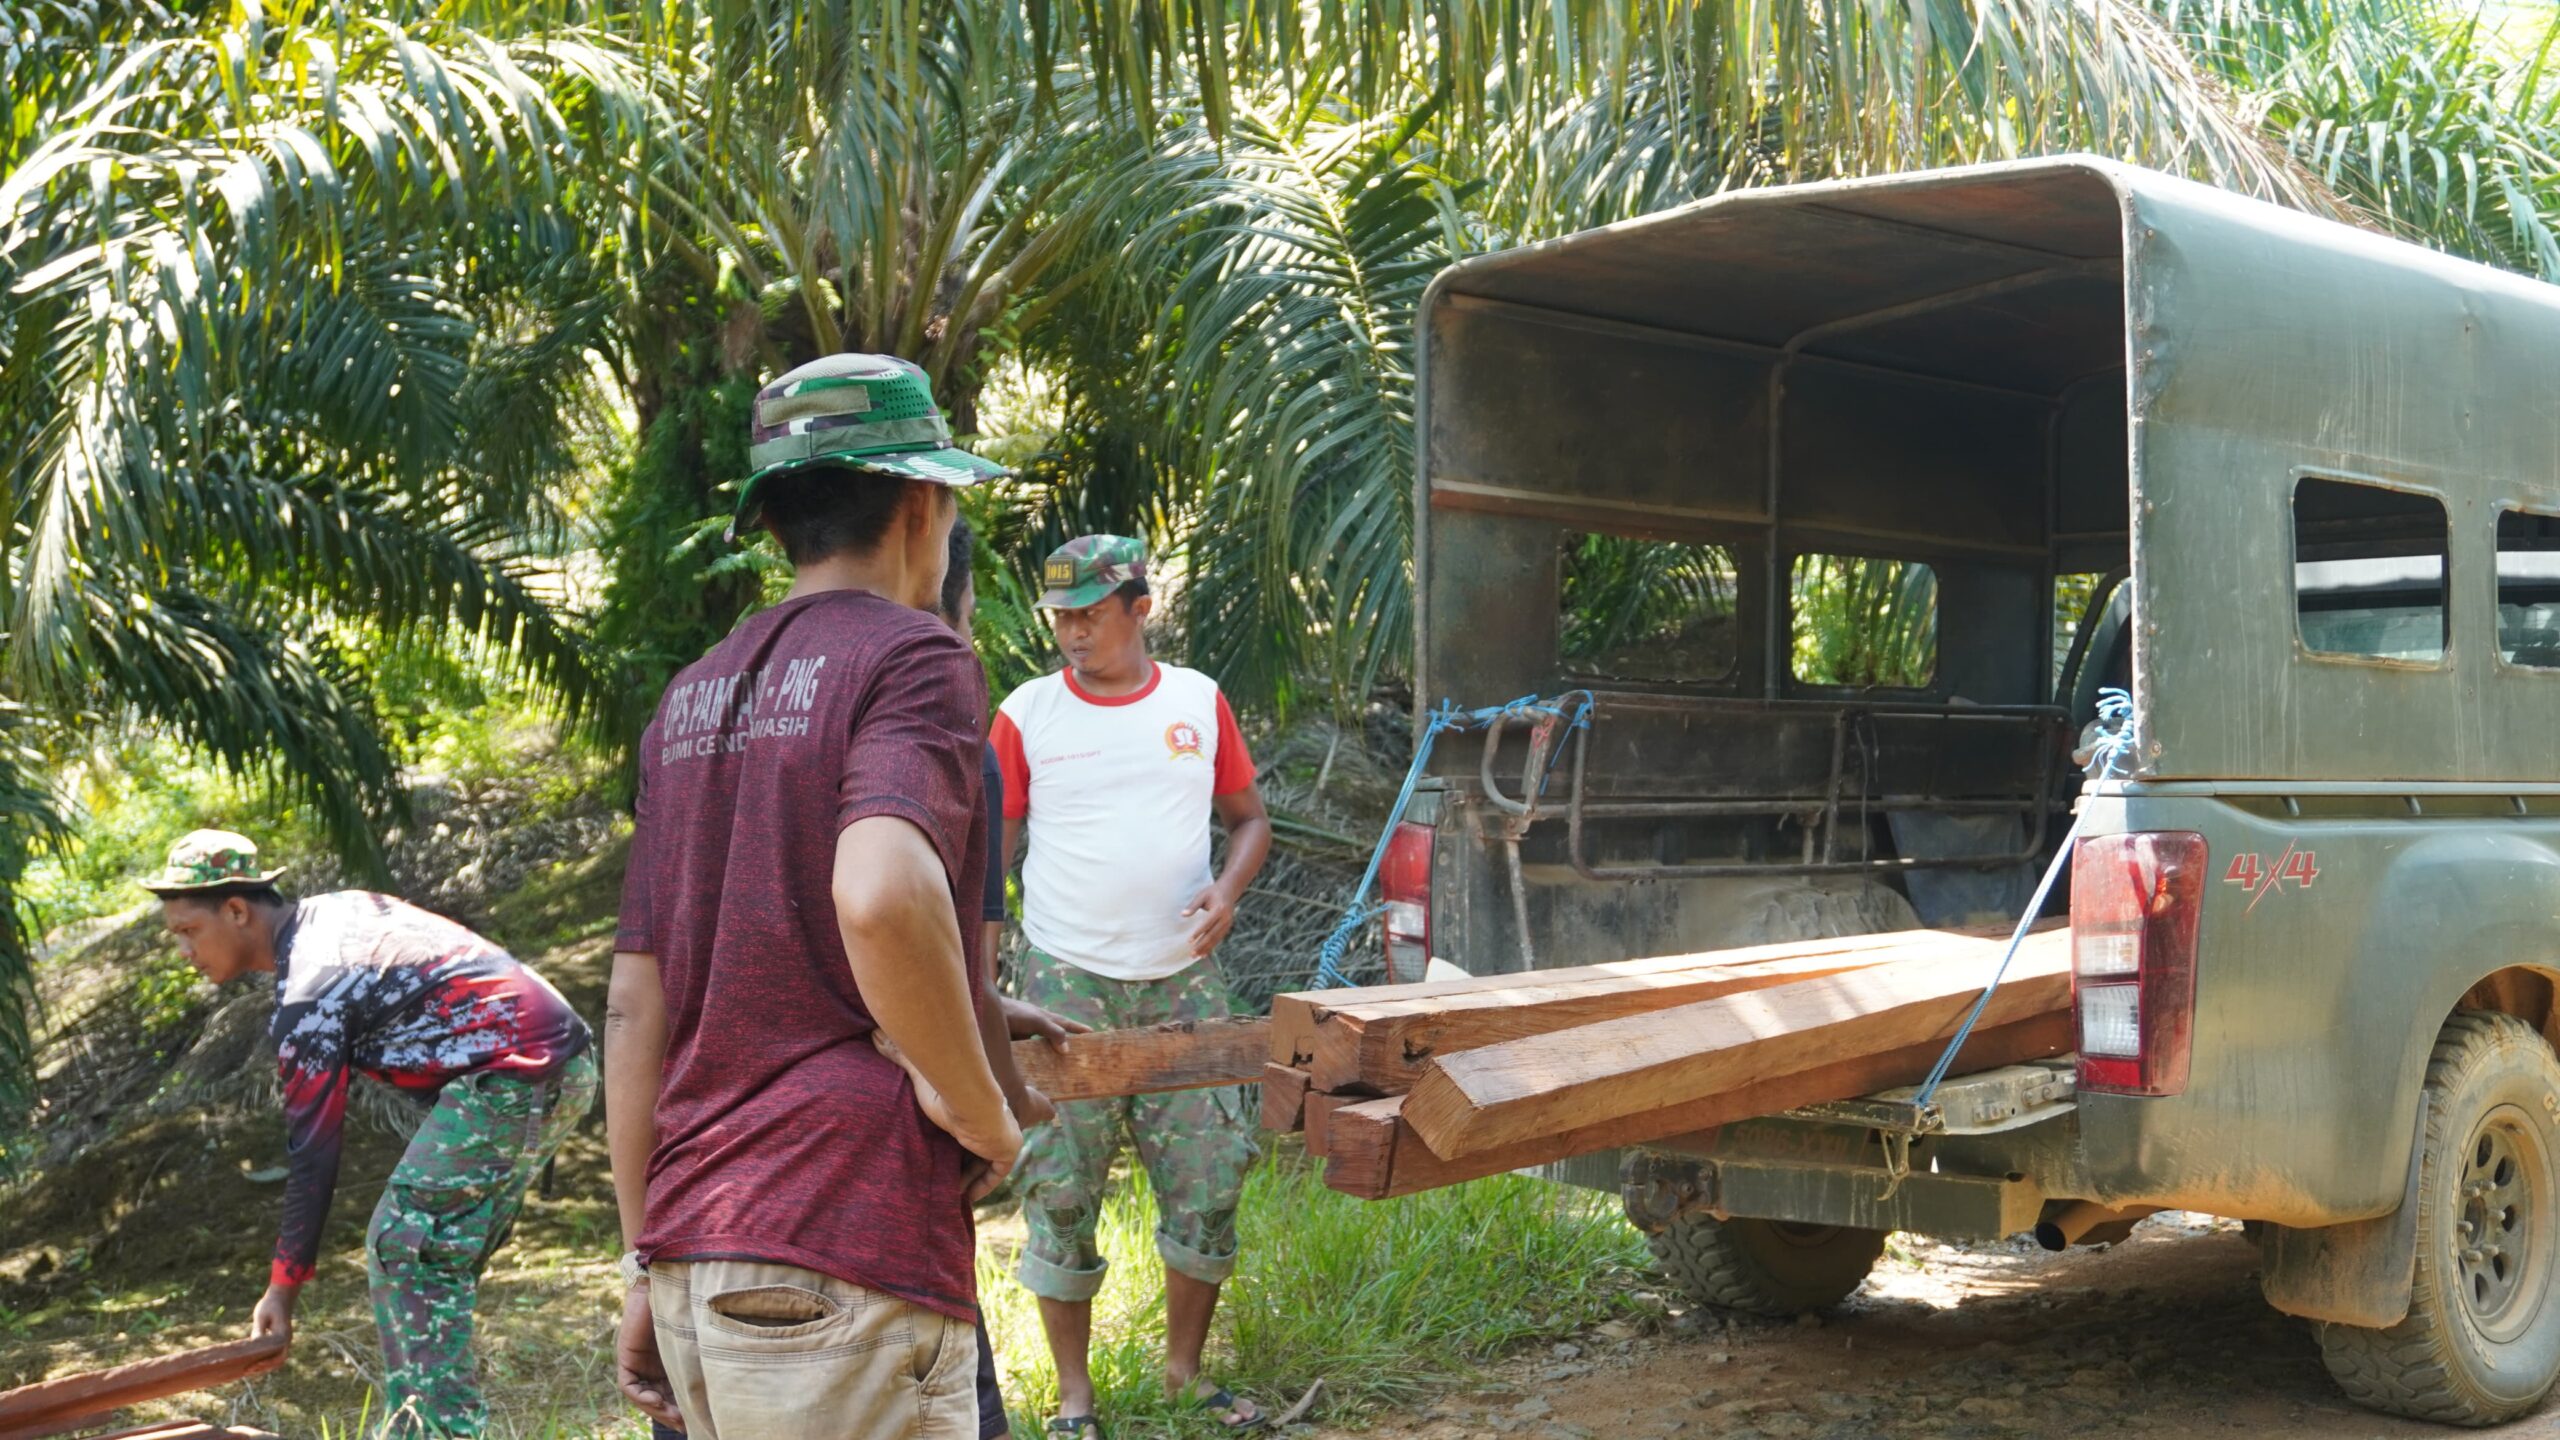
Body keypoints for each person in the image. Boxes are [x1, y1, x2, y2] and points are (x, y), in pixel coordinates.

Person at [607, 353, 1019, 1440]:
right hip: (844, 1246)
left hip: (698, 1251)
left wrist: (644, 1256)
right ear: (924, 501)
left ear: (779, 516)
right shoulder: (911, 657)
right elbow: (880, 898)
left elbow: (636, 1005)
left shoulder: (689, 699)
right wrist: (980, 1110)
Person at [146, 830, 594, 1440]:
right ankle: (428, 1425)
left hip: (518, 1075)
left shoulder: (311, 992)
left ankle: (434, 1431)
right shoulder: (338, 911)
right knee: (434, 1252)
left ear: (235, 910)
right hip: (556, 1066)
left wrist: (283, 1288)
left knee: (405, 1243)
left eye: (187, 932)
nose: (184, 952)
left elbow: (314, 1152)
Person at [991, 535, 1276, 1436]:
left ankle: (1184, 1374)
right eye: (1060, 617)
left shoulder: (1197, 701)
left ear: (1139, 607)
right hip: (1060, 985)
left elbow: (1249, 819)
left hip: (1185, 983)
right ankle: (1076, 1400)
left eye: (1089, 613)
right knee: (1060, 1187)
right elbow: (989, 850)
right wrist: (982, 969)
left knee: (1210, 1174)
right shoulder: (1027, 713)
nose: (1072, 631)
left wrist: (1227, 893)